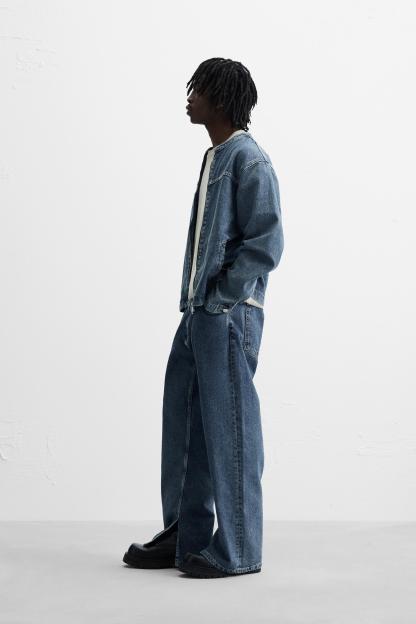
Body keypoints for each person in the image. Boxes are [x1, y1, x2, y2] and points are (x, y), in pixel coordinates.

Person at [123, 57, 284, 578]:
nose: (189, 97)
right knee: (184, 425)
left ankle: (239, 550)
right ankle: (184, 536)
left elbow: (266, 242)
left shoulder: (249, 160)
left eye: (199, 90)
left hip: (228, 316)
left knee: (230, 429)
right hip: (198, 312)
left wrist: (221, 299)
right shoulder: (215, 156)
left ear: (221, 99)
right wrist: (198, 303)